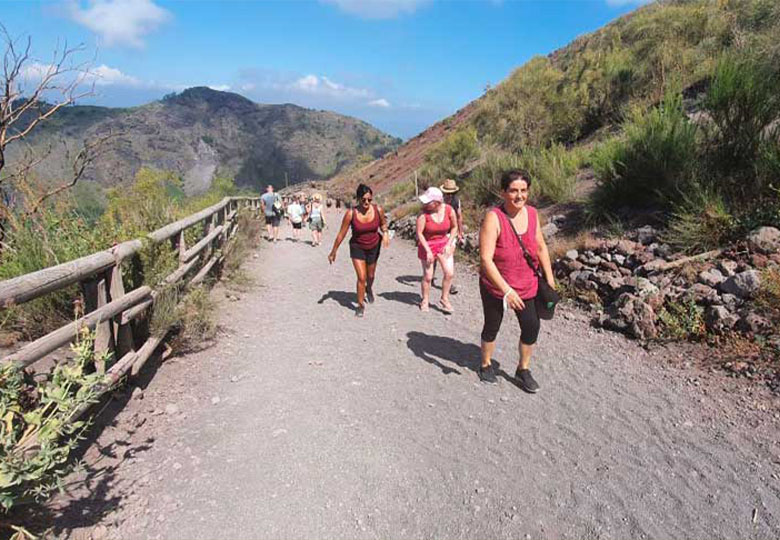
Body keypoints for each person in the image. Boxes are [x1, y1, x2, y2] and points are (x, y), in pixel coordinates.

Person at [477, 169, 555, 392]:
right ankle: (485, 364)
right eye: (513, 191)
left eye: (523, 190)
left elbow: (540, 246)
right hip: (496, 284)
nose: (519, 195)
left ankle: (523, 369)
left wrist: (549, 279)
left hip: (527, 283)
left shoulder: (531, 213)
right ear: (503, 192)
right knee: (493, 324)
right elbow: (485, 259)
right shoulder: (494, 218)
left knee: (532, 326)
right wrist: (507, 291)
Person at [328, 184, 390, 317]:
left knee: (371, 276)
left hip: (374, 246)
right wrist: (333, 251)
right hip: (357, 247)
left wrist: (385, 233)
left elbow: (383, 224)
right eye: (363, 200)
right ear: (358, 199)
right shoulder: (351, 214)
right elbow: (341, 234)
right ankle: (360, 305)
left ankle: (369, 288)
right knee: (361, 277)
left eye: (369, 199)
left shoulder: (378, 210)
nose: (367, 202)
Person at [416, 187, 458, 313]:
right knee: (428, 276)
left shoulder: (449, 210)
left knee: (449, 273)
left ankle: (444, 299)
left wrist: (449, 243)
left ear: (437, 202)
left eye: (428, 202)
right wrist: (428, 250)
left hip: (443, 243)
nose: (425, 204)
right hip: (427, 244)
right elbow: (419, 233)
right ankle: (425, 300)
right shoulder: (423, 215)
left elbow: (454, 228)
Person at [435, 178, 465, 295]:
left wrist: (460, 231)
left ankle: (449, 282)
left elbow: (459, 216)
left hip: (450, 232)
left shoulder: (456, 201)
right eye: (447, 193)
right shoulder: (438, 201)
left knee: (448, 256)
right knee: (436, 256)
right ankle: (431, 273)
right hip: (438, 232)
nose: (449, 195)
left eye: (451, 193)